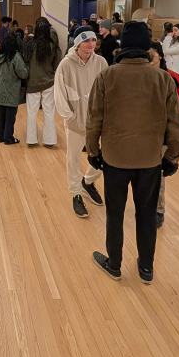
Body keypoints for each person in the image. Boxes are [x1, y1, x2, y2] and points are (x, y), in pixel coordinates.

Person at [87, 22, 179, 285]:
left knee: (115, 215)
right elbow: (175, 122)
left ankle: (114, 264)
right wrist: (172, 156)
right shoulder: (162, 79)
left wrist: (93, 151)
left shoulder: (107, 76)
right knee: (146, 214)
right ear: (146, 48)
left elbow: (94, 118)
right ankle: (146, 268)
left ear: (121, 46)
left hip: (115, 159)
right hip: (150, 160)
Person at [54, 27, 107, 218]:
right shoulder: (65, 65)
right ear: (78, 43)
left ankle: (88, 182)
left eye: (94, 41)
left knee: (103, 157)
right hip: (76, 122)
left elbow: (107, 90)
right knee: (73, 160)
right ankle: (76, 194)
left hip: (98, 122)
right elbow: (59, 94)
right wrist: (70, 117)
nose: (92, 44)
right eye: (87, 41)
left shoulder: (101, 63)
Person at [148, 42, 179, 228]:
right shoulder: (139, 77)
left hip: (162, 136)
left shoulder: (175, 79)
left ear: (160, 56)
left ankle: (158, 210)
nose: (149, 59)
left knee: (158, 176)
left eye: (152, 55)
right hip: (142, 134)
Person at [23, 18, 62, 148]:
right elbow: (57, 65)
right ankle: (49, 140)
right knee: (49, 112)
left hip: (32, 83)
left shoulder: (29, 46)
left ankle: (31, 139)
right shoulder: (53, 47)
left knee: (31, 112)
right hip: (49, 82)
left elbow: (25, 63)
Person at [0, 32, 28, 145]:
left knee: (0, 114)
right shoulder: (16, 57)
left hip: (0, 90)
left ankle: (0, 136)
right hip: (12, 90)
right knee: (10, 116)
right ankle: (8, 137)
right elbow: (23, 73)